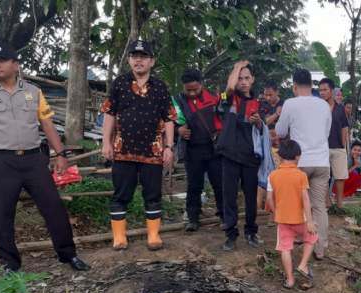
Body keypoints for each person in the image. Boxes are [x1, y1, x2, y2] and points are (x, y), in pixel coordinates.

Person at [0, 44, 90, 273]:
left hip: (33, 161)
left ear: (15, 65)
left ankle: (68, 255)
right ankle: (9, 265)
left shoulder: (34, 91)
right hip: (0, 162)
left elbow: (47, 125)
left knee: (54, 208)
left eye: (1, 60)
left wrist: (61, 154)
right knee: (2, 215)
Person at [100, 40, 175, 251]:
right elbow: (109, 113)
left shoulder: (160, 87)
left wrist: (169, 147)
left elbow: (169, 118)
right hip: (123, 150)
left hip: (153, 151)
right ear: (129, 60)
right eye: (134, 56)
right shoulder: (119, 83)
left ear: (152, 61)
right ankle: (119, 237)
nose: (138, 60)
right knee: (120, 194)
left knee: (153, 195)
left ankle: (153, 236)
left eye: (143, 57)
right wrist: (106, 142)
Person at [275, 69, 332, 260]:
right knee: (319, 206)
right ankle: (320, 248)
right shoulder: (324, 105)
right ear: (311, 84)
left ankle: (295, 239)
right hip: (322, 162)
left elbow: (280, 132)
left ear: (294, 86)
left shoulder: (290, 103)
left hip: (300, 163)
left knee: (296, 202)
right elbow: (326, 133)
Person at [217, 60, 264, 251]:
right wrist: (237, 67)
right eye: (240, 78)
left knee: (251, 197)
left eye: (246, 78)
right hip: (229, 154)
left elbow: (264, 130)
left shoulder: (260, 102)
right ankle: (230, 234)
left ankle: (251, 232)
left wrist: (258, 122)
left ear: (253, 79)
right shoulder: (227, 98)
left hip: (251, 156)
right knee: (229, 195)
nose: (243, 82)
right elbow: (229, 88)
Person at [171, 68, 224, 232]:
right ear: (183, 87)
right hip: (192, 150)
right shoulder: (177, 102)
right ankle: (193, 218)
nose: (192, 93)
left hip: (214, 149)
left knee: (219, 184)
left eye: (195, 89)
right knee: (194, 185)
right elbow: (168, 123)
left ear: (201, 84)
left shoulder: (214, 97)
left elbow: (224, 118)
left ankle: (224, 215)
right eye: (189, 90)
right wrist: (178, 130)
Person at [266, 139, 318, 289]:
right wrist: (310, 221)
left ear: (280, 155)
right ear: (297, 156)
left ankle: (290, 280)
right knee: (312, 237)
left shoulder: (272, 175)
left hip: (283, 219)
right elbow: (305, 199)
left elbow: (269, 199)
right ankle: (302, 265)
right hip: (301, 219)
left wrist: (276, 213)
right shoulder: (301, 175)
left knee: (285, 248)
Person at [318, 78, 350, 208]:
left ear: (331, 91)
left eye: (325, 90)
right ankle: (327, 202)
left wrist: (343, 144)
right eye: (320, 90)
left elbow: (344, 127)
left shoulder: (340, 108)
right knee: (324, 176)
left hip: (338, 147)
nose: (322, 92)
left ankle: (340, 203)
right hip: (322, 147)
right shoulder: (318, 108)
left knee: (340, 176)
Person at [257, 80, 285, 210]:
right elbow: (263, 122)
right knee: (264, 176)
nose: (267, 98)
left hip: (282, 148)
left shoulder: (285, 104)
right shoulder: (262, 105)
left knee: (280, 176)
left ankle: (278, 207)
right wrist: (276, 114)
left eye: (270, 95)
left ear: (277, 92)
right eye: (266, 95)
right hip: (266, 146)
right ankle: (260, 208)